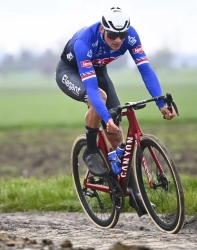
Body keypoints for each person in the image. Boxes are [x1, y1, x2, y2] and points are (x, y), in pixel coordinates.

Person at [55, 7, 176, 213]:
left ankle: (134, 193)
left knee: (116, 131)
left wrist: (161, 104)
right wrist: (104, 115)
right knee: (99, 99)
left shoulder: (131, 37)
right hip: (71, 72)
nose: (118, 40)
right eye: (112, 34)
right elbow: (92, 88)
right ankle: (91, 150)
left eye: (122, 34)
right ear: (102, 29)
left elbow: (145, 70)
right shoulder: (84, 42)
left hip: (98, 70)